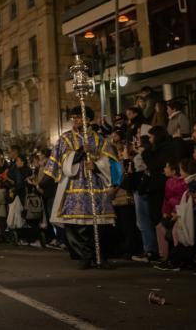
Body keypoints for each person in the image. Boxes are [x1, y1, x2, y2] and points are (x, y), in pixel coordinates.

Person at [44, 106, 117, 270]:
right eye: (73, 118)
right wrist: (78, 153)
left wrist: (97, 166)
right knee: (76, 225)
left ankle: (101, 256)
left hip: (96, 187)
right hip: (74, 186)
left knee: (99, 224)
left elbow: (111, 162)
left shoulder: (99, 139)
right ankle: (83, 256)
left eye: (78, 117)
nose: (75, 121)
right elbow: (60, 159)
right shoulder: (66, 138)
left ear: (88, 119)